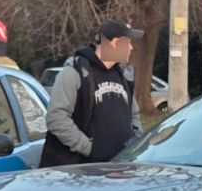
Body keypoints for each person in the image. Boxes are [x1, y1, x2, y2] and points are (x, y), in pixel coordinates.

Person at [39, 20, 144, 167]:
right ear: (114, 43)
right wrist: (90, 149)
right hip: (80, 174)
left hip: (117, 170)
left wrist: (134, 144)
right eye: (128, 43)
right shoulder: (74, 73)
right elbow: (56, 118)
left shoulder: (123, 76)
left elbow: (134, 116)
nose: (131, 48)